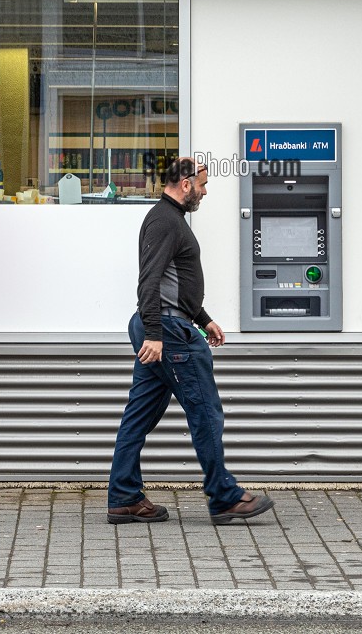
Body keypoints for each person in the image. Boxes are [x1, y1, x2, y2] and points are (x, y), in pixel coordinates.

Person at [106, 156, 274, 526]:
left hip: (169, 326)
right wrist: (154, 333)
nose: (205, 191)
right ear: (185, 184)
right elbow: (149, 281)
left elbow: (173, 282)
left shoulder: (170, 219)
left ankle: (123, 496)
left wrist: (203, 318)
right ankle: (225, 496)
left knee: (140, 414)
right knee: (205, 411)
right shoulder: (165, 220)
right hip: (167, 333)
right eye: (203, 184)